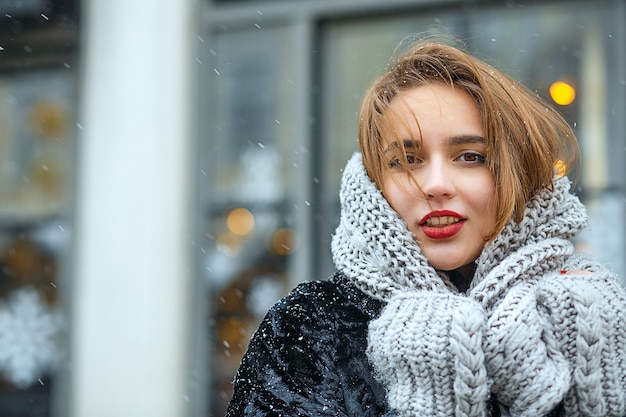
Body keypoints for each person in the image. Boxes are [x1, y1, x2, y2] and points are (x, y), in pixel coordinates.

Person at [225, 37, 626, 417]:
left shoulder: (590, 315)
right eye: (405, 160)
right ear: (375, 183)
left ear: (516, 174)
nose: (435, 185)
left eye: (469, 156)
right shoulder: (313, 328)